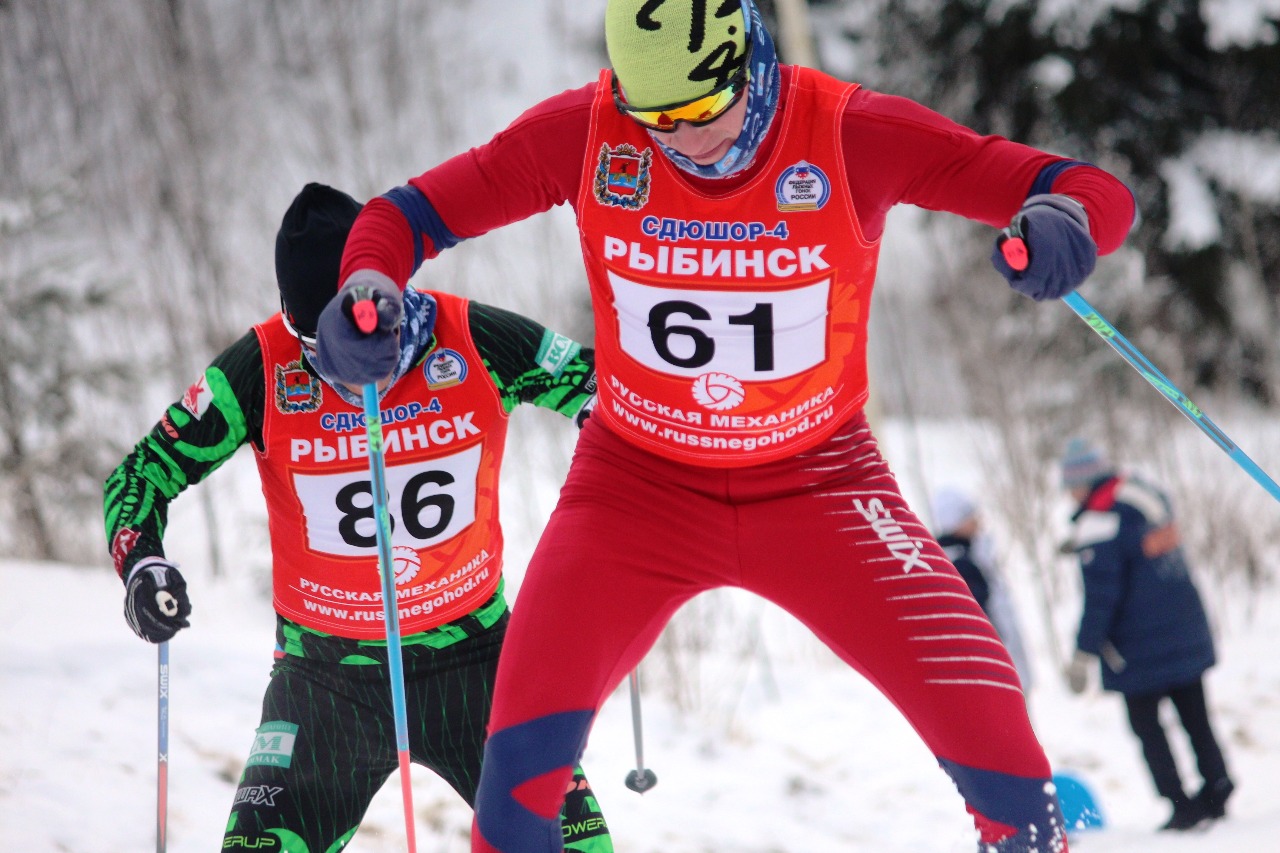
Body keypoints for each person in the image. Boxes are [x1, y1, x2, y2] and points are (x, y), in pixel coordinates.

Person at [314, 2, 1137, 850]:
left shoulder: (849, 132)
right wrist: (367, 289)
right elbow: (404, 216)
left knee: (1008, 762)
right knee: (514, 797)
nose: (681, 139)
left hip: (823, 485)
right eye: (654, 115)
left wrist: (1066, 226)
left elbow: (1091, 189)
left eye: (701, 109)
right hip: (634, 491)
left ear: (752, 60)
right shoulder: (590, 133)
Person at [103, 183, 613, 853]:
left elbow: (596, 380)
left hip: (477, 662)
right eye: (317, 345)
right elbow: (142, 471)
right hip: (324, 680)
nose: (343, 371)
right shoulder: (261, 367)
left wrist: (604, 422)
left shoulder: (470, 336)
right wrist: (142, 563)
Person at [1059, 437, 1234, 832]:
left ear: (1084, 483)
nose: (1070, 496)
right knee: (1196, 718)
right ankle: (1218, 788)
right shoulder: (1142, 494)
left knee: (1148, 729)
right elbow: (1138, 552)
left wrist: (1082, 654)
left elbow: (1101, 599)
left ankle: (1181, 805)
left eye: (1071, 486)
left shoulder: (1098, 522)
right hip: (1184, 632)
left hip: (1137, 651)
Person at [931, 487, 1034, 692]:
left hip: (1004, 660)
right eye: (969, 516)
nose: (978, 521)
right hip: (993, 667)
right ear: (955, 523)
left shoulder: (973, 552)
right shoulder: (957, 563)